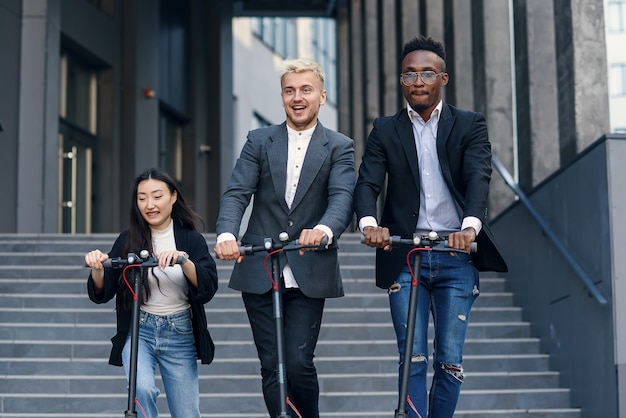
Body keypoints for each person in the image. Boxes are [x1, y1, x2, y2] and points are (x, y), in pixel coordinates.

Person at [354, 36, 508, 418]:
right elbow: (368, 182)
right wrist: (370, 223)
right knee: (412, 356)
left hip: (456, 255)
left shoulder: (470, 125)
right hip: (405, 254)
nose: (417, 81)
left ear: (443, 78)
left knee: (450, 363)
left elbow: (478, 178)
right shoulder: (385, 129)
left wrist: (470, 229)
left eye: (426, 73)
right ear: (401, 80)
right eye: (409, 74)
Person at [214, 58, 354, 417]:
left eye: (306, 90)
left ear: (321, 96)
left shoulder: (339, 146)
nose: (298, 97)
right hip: (260, 266)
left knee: (297, 362)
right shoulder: (259, 140)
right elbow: (237, 192)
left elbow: (342, 197)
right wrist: (228, 233)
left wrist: (323, 230)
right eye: (290, 90)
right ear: (281, 97)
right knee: (271, 365)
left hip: (309, 266)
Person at [85, 167, 218, 418]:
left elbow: (208, 286)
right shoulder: (127, 240)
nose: (149, 204)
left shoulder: (191, 240)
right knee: (142, 389)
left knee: (187, 413)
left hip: (180, 332)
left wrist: (183, 260)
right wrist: (97, 268)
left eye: (157, 196)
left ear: (173, 197)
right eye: (142, 197)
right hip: (140, 331)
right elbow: (104, 291)